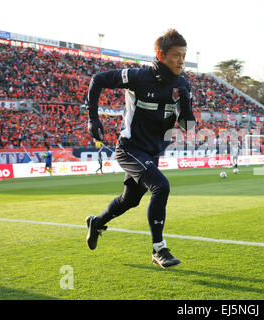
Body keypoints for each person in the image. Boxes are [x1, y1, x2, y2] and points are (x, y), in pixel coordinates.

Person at [84, 29, 196, 269]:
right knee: (161, 187)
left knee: (129, 201)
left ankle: (97, 222)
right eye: (176, 55)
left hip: (152, 153)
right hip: (129, 148)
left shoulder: (182, 83)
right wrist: (93, 119)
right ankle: (159, 249)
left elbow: (188, 126)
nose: (181, 61)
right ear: (160, 54)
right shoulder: (137, 77)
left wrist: (186, 106)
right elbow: (98, 80)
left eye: (184, 56)